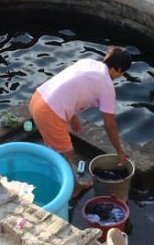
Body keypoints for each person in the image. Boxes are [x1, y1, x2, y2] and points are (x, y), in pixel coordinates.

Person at [30, 47, 132, 194]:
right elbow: (110, 125)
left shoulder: (88, 62)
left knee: (57, 147)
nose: (120, 76)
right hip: (49, 112)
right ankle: (73, 189)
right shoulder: (107, 87)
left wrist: (72, 116)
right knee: (66, 152)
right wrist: (120, 152)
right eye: (122, 73)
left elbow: (70, 87)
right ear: (118, 69)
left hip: (38, 98)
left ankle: (54, 172)